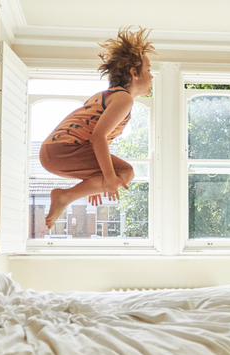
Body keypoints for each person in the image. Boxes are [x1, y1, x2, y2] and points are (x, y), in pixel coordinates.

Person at [39, 27, 156, 229]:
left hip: (54, 150)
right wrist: (109, 178)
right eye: (148, 69)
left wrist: (93, 186)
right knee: (125, 173)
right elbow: (98, 136)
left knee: (117, 173)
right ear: (134, 73)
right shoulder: (123, 99)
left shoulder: (109, 95)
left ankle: (68, 195)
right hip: (62, 150)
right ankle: (64, 196)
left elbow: (89, 136)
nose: (152, 76)